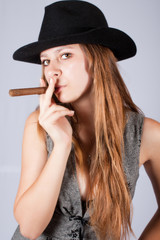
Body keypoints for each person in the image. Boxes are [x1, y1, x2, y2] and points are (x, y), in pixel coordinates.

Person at [11, 1, 160, 240]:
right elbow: (29, 228)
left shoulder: (148, 135)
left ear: (98, 59)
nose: (52, 71)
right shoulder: (38, 125)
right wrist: (61, 145)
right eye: (46, 61)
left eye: (65, 55)